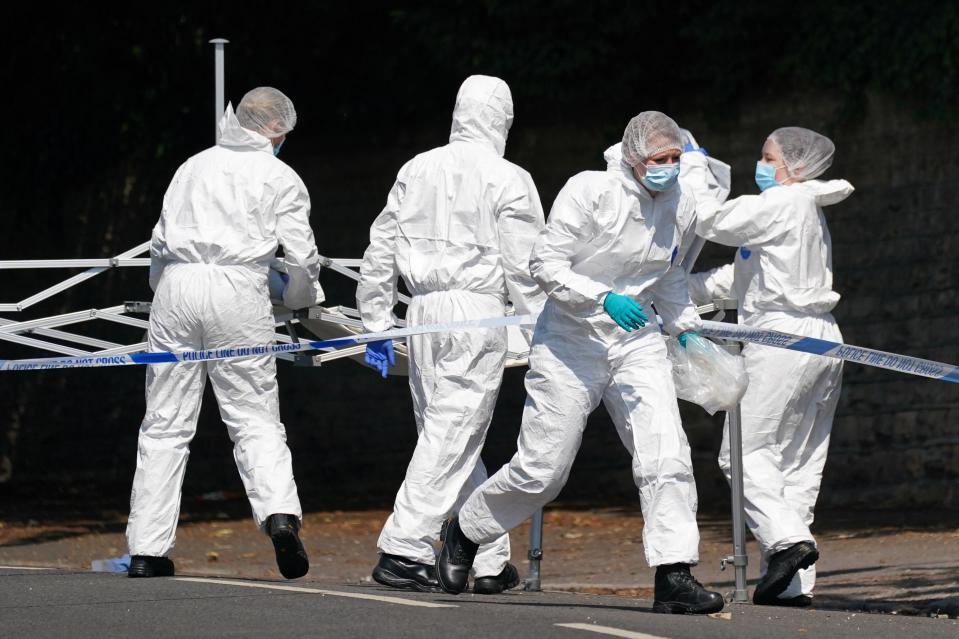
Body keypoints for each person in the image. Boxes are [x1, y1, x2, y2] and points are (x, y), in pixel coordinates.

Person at [436, 111, 725, 615]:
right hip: (571, 340)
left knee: (667, 454)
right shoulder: (590, 190)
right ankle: (466, 529)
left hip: (636, 341)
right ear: (635, 158)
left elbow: (669, 275)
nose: (670, 168)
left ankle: (674, 573)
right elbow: (544, 263)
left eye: (677, 158)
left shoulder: (679, 203)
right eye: (661, 159)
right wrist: (602, 296)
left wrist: (687, 330)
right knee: (544, 469)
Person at [356, 75, 547, 595]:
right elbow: (526, 267)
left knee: (448, 436)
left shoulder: (415, 168)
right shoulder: (509, 177)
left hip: (421, 314)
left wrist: (375, 321)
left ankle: (486, 557)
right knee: (452, 434)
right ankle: (404, 546)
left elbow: (380, 249)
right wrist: (540, 329)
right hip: (476, 313)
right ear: (503, 119)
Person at [125, 87, 323, 580]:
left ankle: (147, 550)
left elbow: (158, 243)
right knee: (253, 415)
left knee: (164, 423)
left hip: (176, 288)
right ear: (277, 131)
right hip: (239, 290)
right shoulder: (280, 176)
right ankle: (279, 515)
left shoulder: (191, 166)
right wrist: (299, 299)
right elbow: (301, 259)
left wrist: (164, 289)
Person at [687, 127, 853, 607]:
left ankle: (785, 542)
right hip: (821, 339)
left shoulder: (782, 203)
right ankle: (793, 584)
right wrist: (671, 296)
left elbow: (712, 219)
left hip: (782, 340)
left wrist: (696, 167)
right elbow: (738, 281)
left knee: (741, 451)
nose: (760, 165)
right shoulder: (799, 210)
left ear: (793, 166)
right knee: (796, 461)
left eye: (767, 157)